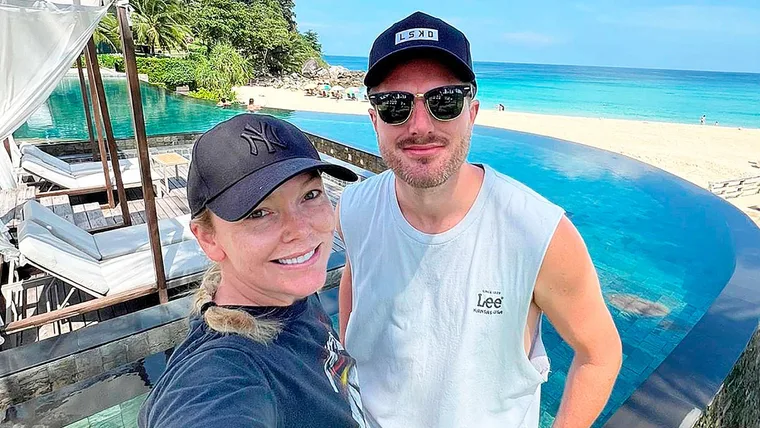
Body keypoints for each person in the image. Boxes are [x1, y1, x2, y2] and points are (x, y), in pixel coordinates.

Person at [337, 11, 622, 428]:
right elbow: (353, 278)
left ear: (471, 112)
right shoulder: (354, 208)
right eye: (396, 105)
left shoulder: (537, 233)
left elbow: (600, 354)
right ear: (374, 119)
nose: (420, 126)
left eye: (444, 101)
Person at [139, 114, 367, 428]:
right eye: (259, 212)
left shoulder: (288, 293)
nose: (300, 230)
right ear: (209, 238)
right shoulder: (222, 374)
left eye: (310, 195)